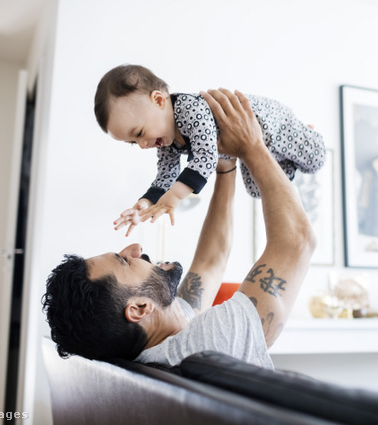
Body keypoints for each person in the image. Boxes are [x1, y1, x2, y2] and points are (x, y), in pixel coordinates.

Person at [43, 89, 316, 369]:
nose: (135, 248)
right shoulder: (209, 343)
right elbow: (298, 240)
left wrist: (224, 164)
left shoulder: (165, 344)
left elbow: (212, 261)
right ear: (138, 308)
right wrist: (252, 146)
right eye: (123, 260)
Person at [93, 64, 326, 235]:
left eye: (139, 133)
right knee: (258, 191)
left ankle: (306, 133)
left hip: (271, 125)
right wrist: (144, 206)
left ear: (159, 100)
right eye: (134, 143)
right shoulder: (166, 140)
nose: (143, 145)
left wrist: (173, 197)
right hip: (248, 150)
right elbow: (165, 175)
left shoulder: (188, 108)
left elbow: (205, 157)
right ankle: (291, 155)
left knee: (316, 160)